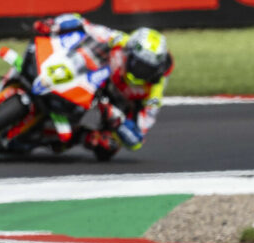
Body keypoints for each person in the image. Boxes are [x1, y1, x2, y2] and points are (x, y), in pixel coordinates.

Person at [34, 14, 174, 159]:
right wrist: (54, 24)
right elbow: (83, 23)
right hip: (96, 73)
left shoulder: (154, 93)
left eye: (147, 70)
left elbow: (137, 140)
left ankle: (78, 136)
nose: (141, 73)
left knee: (108, 147)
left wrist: (118, 121)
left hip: (114, 103)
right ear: (129, 51)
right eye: (138, 65)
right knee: (74, 39)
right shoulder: (121, 40)